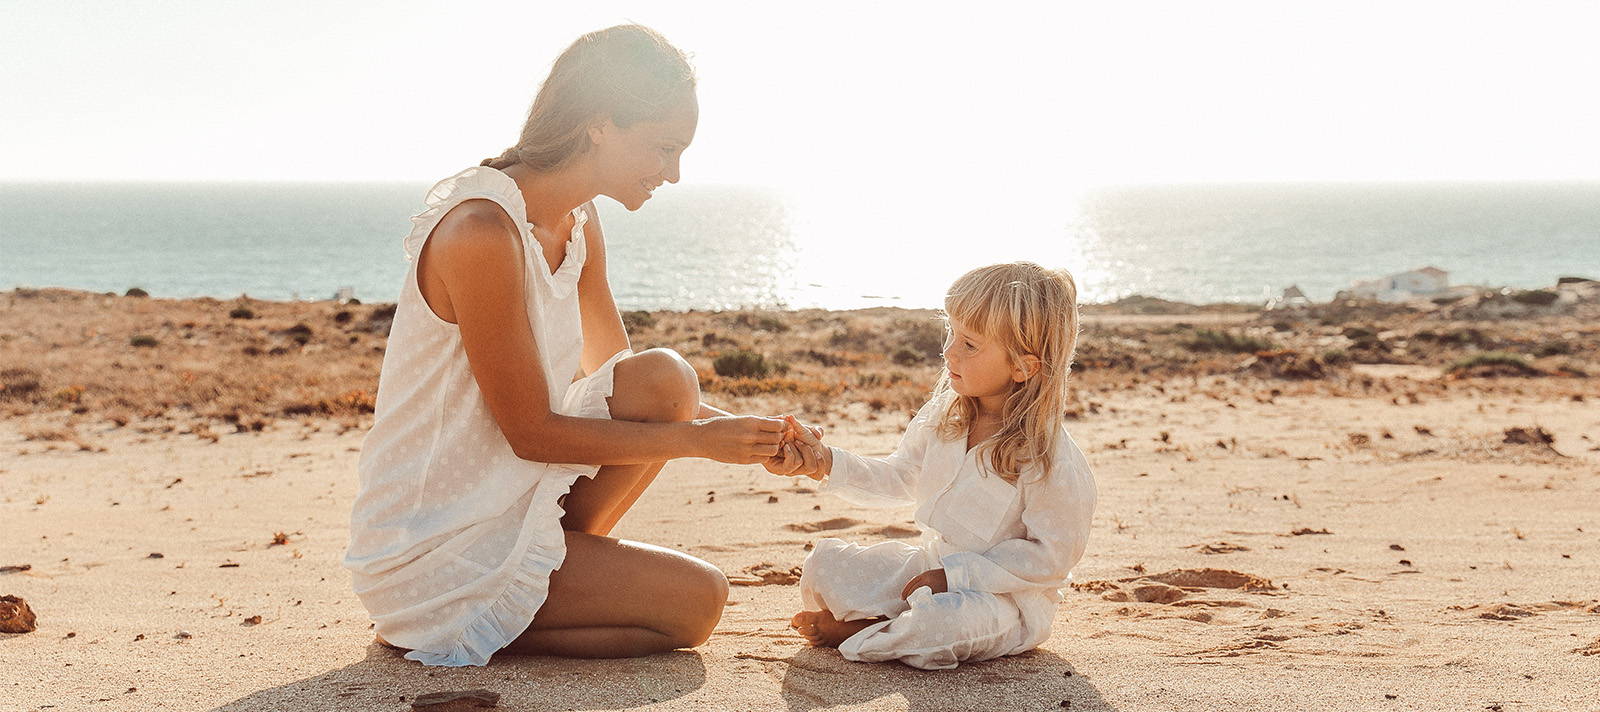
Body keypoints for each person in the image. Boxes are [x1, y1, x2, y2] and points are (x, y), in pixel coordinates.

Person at [342, 24, 816, 667]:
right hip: (431, 542)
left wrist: (750, 436)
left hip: (513, 505)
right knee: (698, 602)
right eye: (663, 148)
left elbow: (623, 382)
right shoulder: (480, 229)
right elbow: (531, 433)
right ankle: (446, 619)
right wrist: (699, 445)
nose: (674, 174)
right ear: (599, 124)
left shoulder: (579, 222)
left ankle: (539, 582)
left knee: (661, 379)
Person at [766, 262, 1097, 670]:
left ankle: (862, 631)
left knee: (943, 623)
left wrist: (955, 578)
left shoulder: (1051, 459)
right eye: (950, 333)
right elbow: (898, 477)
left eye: (970, 344)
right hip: (932, 563)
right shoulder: (946, 416)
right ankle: (884, 624)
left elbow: (1050, 558)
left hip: (1005, 600)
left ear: (1023, 366)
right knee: (826, 566)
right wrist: (824, 462)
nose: (949, 351)